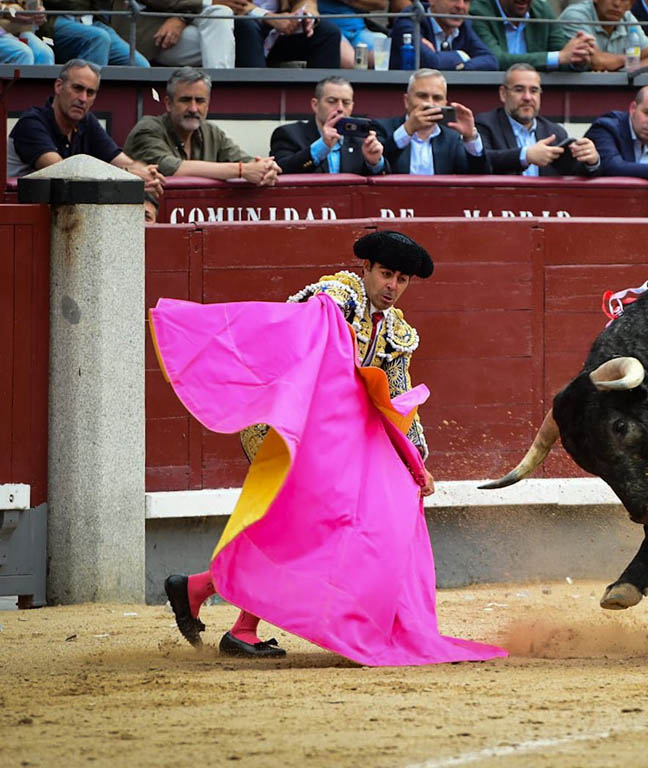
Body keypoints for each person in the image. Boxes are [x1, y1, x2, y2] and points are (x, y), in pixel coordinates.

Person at [165, 230, 437, 658]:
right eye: (386, 274)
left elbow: (398, 401)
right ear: (365, 269)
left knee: (300, 530)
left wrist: (415, 460)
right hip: (286, 430)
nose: (393, 287)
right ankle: (231, 619)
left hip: (330, 444)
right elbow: (301, 337)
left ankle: (201, 591)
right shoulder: (337, 296)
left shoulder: (397, 331)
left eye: (402, 280)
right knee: (305, 528)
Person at [8, 59, 164, 197]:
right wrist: (129, 175)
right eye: (77, 88)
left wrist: (147, 173)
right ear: (58, 86)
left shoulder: (86, 121)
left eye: (90, 92)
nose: (83, 99)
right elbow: (63, 172)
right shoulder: (32, 123)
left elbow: (124, 162)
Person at [124, 67, 280, 186]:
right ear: (168, 104)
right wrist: (242, 171)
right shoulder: (147, 130)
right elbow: (175, 170)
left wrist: (266, 168)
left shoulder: (211, 132)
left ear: (208, 105)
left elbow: (247, 162)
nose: (193, 108)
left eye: (199, 101)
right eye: (185, 100)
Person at [476, 63, 601, 176]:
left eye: (534, 90)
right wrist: (526, 156)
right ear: (503, 94)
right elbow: (480, 162)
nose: (527, 97)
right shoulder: (485, 125)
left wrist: (591, 161)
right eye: (519, 90)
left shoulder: (554, 132)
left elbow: (572, 173)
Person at [374, 68, 491, 175]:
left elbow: (478, 176)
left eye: (437, 98)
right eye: (422, 96)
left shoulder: (452, 139)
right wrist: (407, 130)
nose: (430, 103)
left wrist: (470, 138)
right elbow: (376, 166)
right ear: (406, 101)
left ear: (445, 104)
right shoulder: (383, 128)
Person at [270, 76, 385, 175]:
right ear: (315, 105)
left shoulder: (361, 140)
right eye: (332, 101)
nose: (340, 108)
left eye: (346, 103)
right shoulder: (289, 134)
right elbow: (280, 171)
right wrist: (322, 146)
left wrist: (374, 163)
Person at [470, 0, 596, 71]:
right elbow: (495, 60)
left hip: (538, 95)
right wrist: (558, 57)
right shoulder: (479, 11)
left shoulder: (542, 9)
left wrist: (578, 57)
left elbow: (564, 55)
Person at [110, 0, 235, 68]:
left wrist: (181, 18)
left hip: (185, 16)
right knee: (218, 45)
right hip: (147, 30)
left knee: (221, 12)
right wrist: (208, 2)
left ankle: (220, 89)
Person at [389, 0, 498, 71]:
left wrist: (463, 67)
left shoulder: (465, 26)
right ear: (432, 1)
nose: (460, 6)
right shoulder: (411, 19)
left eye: (466, 1)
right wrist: (461, 56)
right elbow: (430, 63)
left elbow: (491, 61)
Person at [558, 0, 648, 72]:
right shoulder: (576, 15)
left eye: (624, 0)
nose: (617, 4)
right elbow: (596, 62)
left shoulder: (628, 18)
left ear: (630, 5)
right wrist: (630, 60)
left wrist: (617, 69)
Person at [233, 0, 342, 68]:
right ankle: (255, 99)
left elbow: (306, 2)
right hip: (239, 26)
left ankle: (324, 97)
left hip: (278, 28)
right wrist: (267, 16)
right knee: (246, 27)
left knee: (328, 33)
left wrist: (304, 16)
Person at [38, 0, 148, 65]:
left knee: (140, 65)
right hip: (51, 19)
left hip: (91, 20)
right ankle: (87, 99)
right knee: (98, 38)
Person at [315, 0, 387, 68]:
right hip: (330, 30)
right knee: (349, 62)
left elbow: (382, 3)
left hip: (358, 30)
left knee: (383, 54)